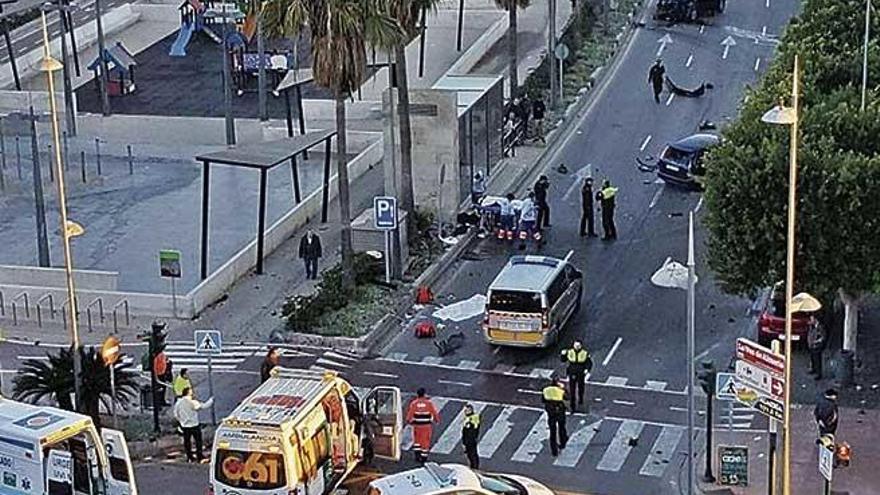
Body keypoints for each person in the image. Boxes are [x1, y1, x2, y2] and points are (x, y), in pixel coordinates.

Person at [173, 387, 214, 463]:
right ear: (189, 393)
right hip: (194, 424)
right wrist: (211, 400)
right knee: (198, 441)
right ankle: (199, 456)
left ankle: (189, 457)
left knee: (187, 442)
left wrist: (181, 421)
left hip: (185, 426)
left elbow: (176, 414)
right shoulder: (192, 402)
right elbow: (203, 406)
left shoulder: (178, 403)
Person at [406, 388, 441, 463]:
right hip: (426, 426)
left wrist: (409, 421)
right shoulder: (428, 403)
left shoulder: (414, 403)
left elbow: (410, 415)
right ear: (424, 394)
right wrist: (437, 420)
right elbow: (434, 413)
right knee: (425, 441)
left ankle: (417, 456)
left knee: (417, 440)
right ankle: (424, 458)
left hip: (417, 426)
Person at [560, 340, 592, 411]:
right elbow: (563, 360)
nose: (577, 347)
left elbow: (589, 362)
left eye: (578, 345)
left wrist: (587, 369)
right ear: (573, 345)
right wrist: (563, 354)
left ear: (581, 346)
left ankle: (580, 398)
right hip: (572, 372)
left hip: (581, 373)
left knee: (581, 387)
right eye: (575, 345)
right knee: (572, 390)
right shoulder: (570, 352)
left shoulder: (585, 353)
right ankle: (572, 406)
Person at [542, 376, 568, 457]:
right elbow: (567, 397)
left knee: (552, 432)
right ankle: (563, 443)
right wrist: (564, 389)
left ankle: (554, 451)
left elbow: (543, 400)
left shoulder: (546, 390)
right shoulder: (560, 390)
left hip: (551, 413)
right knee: (561, 427)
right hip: (559, 411)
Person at [461, 404, 481, 469]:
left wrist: (466, 441)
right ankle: (473, 466)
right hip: (468, 440)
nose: (465, 412)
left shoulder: (473, 418)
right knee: (470, 455)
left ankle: (474, 468)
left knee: (472, 455)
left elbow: (472, 429)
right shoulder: (468, 418)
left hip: (470, 440)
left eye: (466, 410)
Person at [807, 315, 827, 380]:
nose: (811, 321)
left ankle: (819, 374)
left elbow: (823, 337)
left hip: (817, 346)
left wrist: (816, 341)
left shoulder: (820, 327)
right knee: (812, 358)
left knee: (817, 359)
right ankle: (813, 369)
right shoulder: (812, 326)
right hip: (812, 345)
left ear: (815, 319)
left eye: (812, 319)